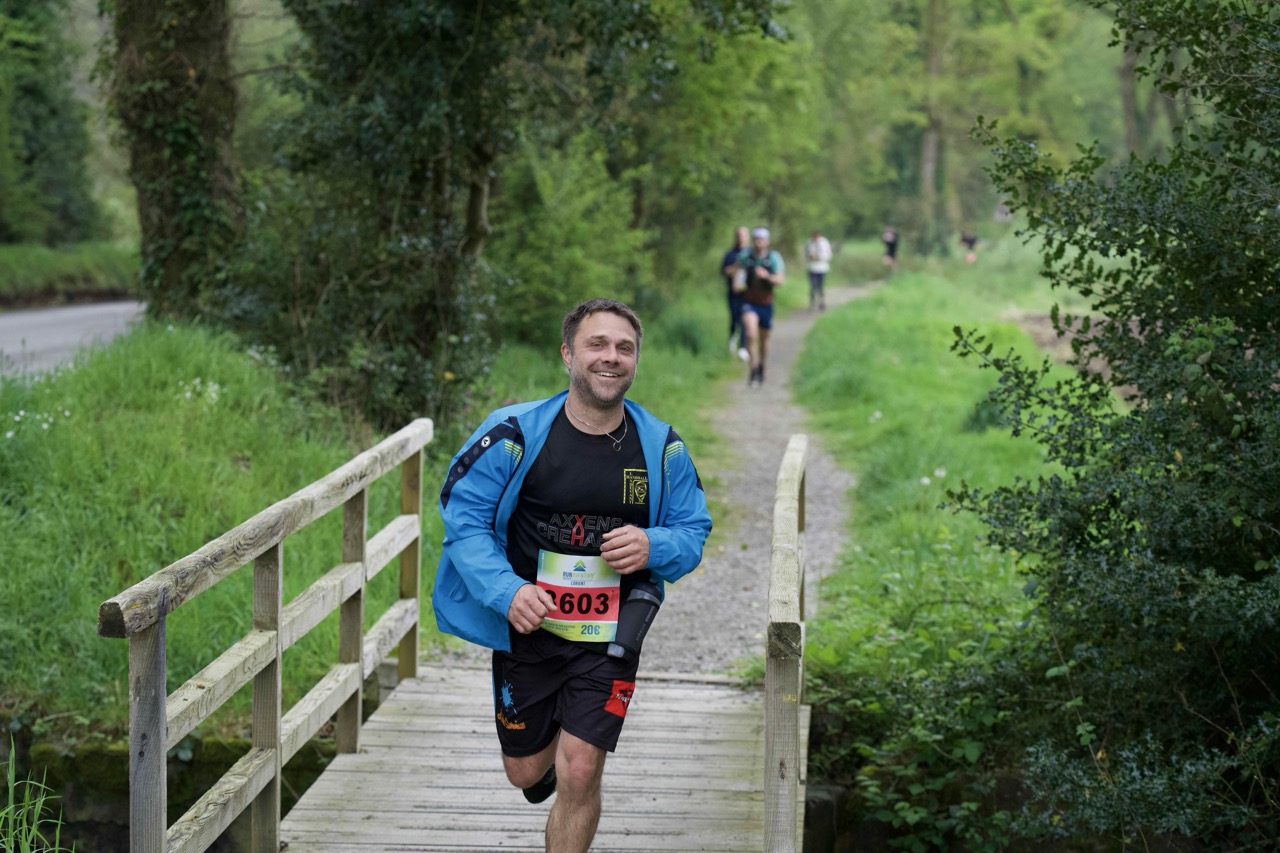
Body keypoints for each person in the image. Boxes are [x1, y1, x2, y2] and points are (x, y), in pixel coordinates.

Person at [433, 297, 712, 853]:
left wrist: (652, 544)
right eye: (597, 344)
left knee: (581, 770)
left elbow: (692, 529)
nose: (611, 357)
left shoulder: (662, 448)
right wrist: (507, 591)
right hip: (528, 624)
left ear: (636, 360)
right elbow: (463, 520)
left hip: (612, 633)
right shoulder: (513, 434)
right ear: (568, 354)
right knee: (524, 771)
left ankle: (579, 745)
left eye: (625, 348)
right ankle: (557, 741)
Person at [730, 226, 785, 386]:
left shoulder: (773, 258)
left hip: (766, 303)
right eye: (756, 239)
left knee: (764, 340)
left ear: (767, 241)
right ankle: (753, 368)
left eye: (761, 239)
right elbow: (736, 271)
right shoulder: (745, 257)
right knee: (751, 335)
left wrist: (767, 276)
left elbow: (780, 281)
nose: (758, 242)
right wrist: (736, 282)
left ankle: (761, 365)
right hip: (749, 302)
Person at [721, 226, 750, 362]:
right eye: (739, 235)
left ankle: (743, 347)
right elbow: (724, 271)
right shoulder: (730, 254)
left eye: (743, 235)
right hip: (733, 293)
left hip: (748, 293)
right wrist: (736, 268)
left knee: (745, 318)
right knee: (734, 318)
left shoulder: (751, 253)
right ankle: (732, 338)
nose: (741, 238)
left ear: (747, 237)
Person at [805, 229, 833, 310]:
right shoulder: (809, 243)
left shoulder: (824, 243)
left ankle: (821, 301)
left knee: (820, 286)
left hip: (822, 268)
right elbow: (806, 254)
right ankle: (812, 302)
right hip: (812, 268)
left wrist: (819, 256)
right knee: (813, 286)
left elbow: (828, 255)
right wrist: (810, 257)